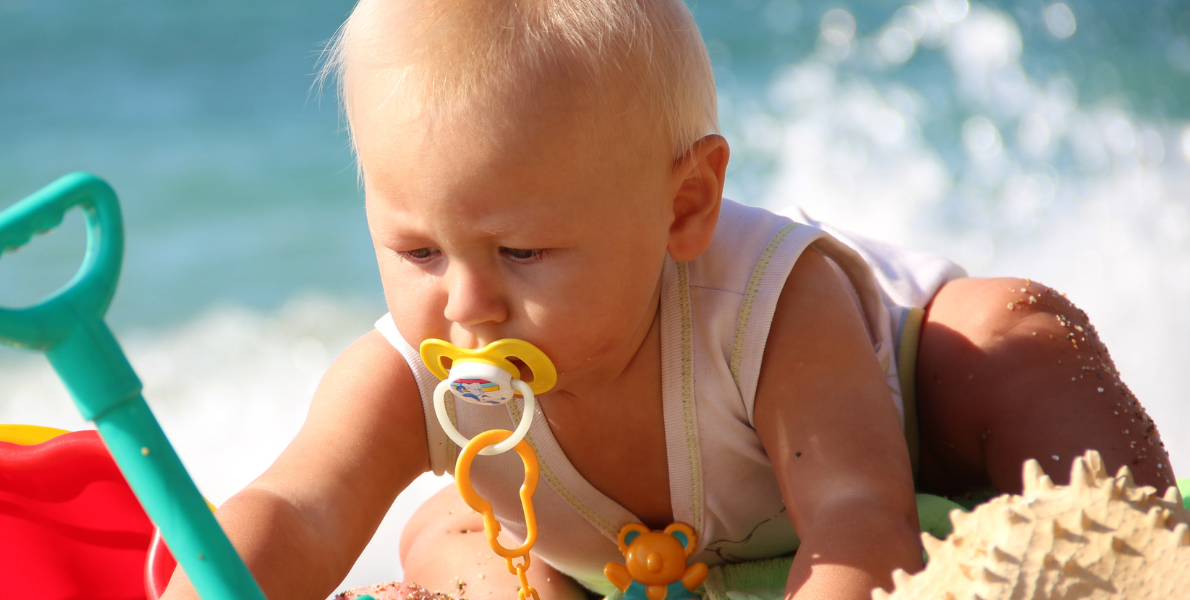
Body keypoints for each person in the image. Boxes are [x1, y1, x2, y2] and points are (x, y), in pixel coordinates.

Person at [163, 1, 1174, 598]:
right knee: (449, 531)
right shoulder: (413, 370)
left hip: (905, 428)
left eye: (521, 249)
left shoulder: (771, 309)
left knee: (1014, 332)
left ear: (684, 207)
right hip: (646, 553)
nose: (468, 304)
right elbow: (297, 507)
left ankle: (1140, 548)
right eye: (417, 248)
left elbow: (856, 518)